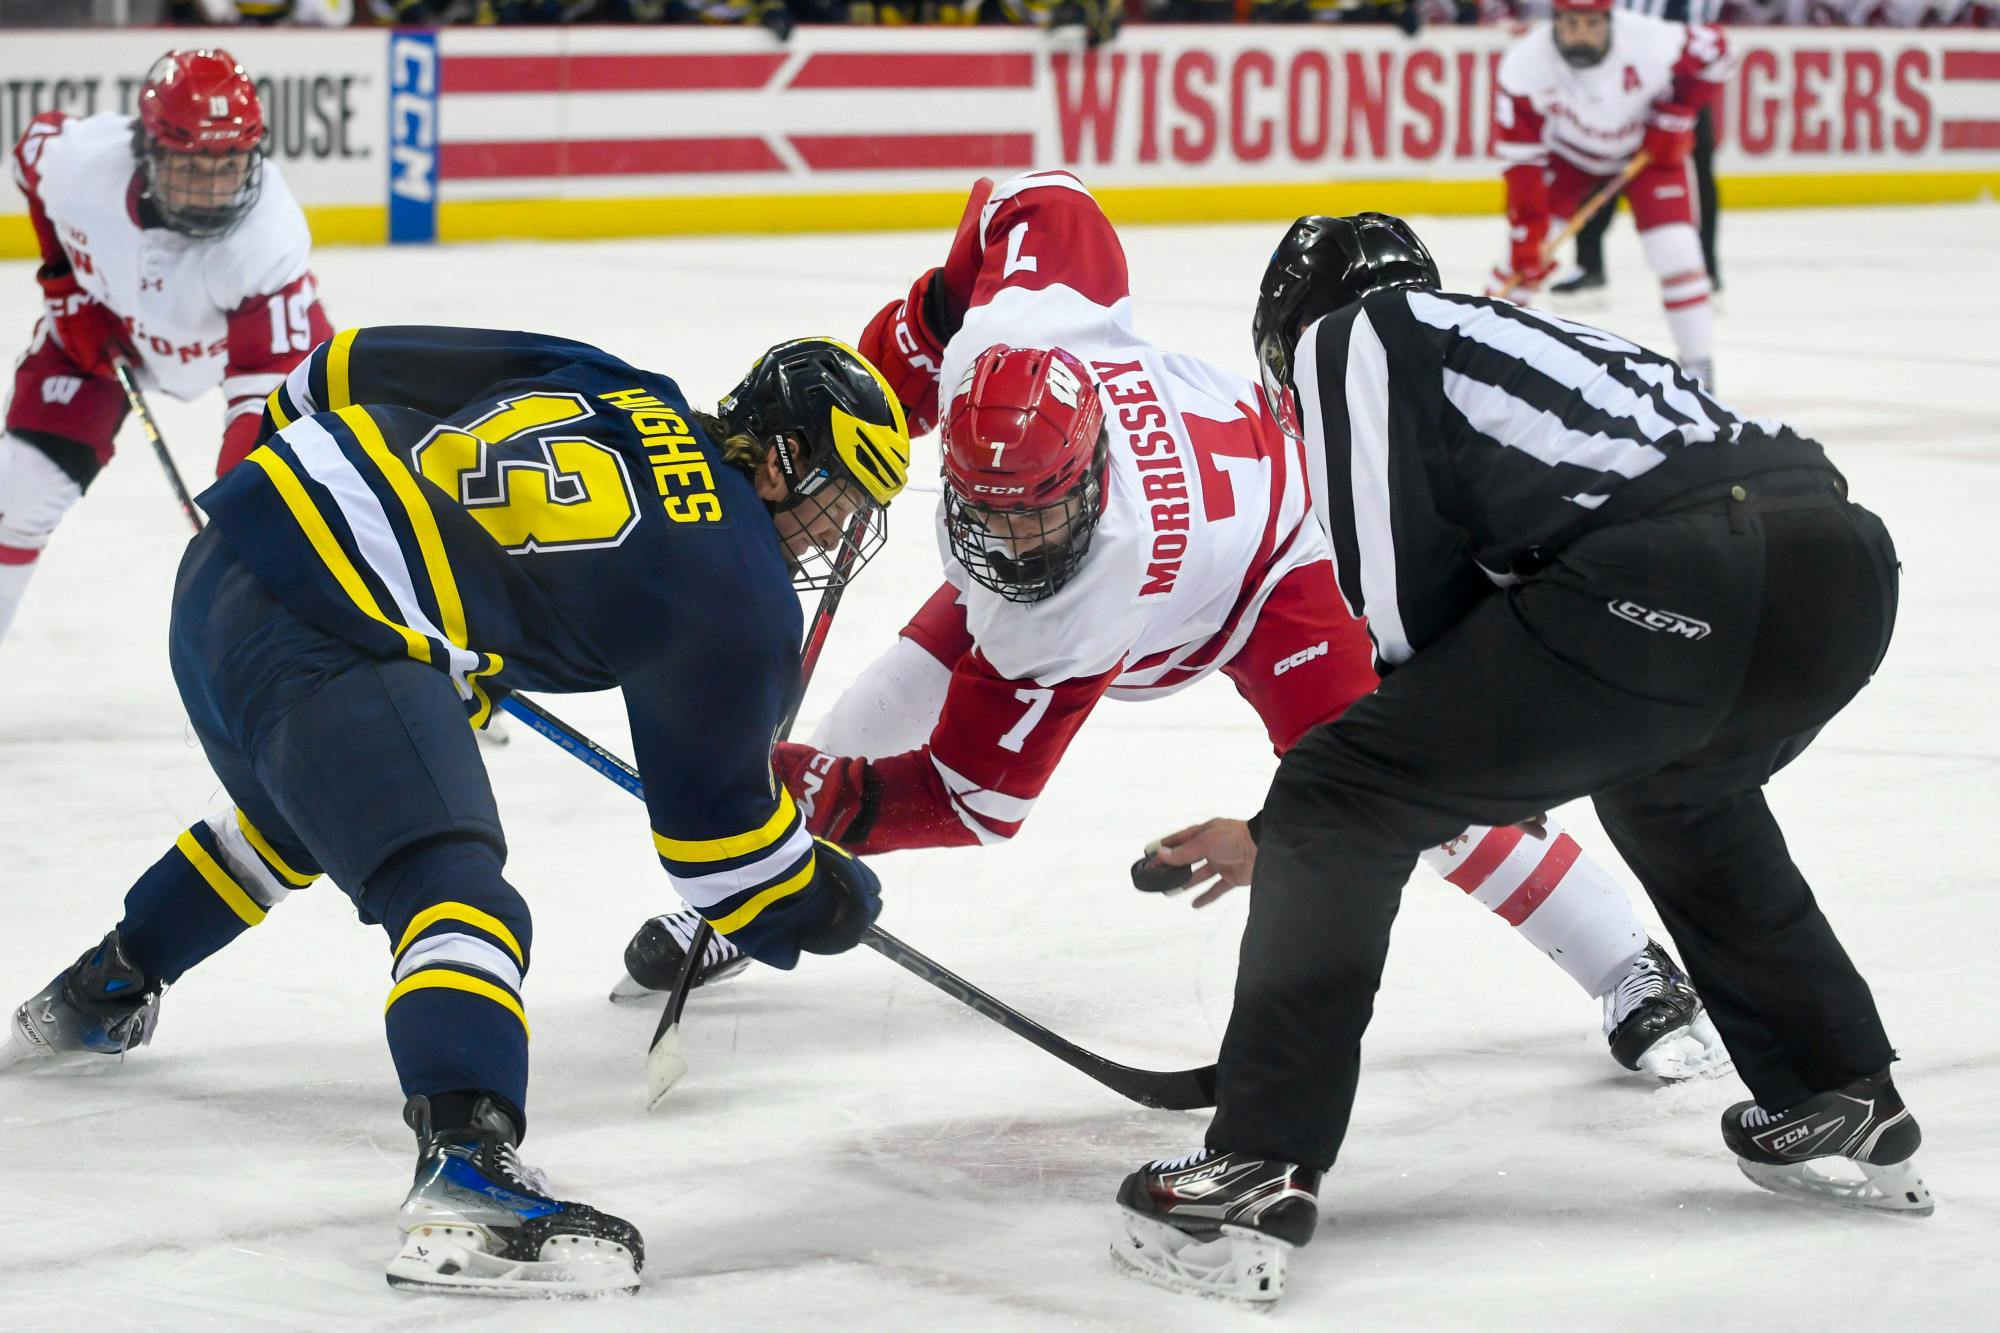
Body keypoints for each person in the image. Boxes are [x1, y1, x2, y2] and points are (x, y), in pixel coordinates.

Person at [616, 170, 1726, 1083]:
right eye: (986, 509)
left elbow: (970, 798)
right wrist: (916, 345)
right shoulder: (1016, 360)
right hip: (1129, 527)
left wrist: (783, 786)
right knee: (897, 679)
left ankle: (1627, 963)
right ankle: (746, 886)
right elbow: (1046, 202)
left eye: (1039, 513)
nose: (1010, 540)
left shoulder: (1080, 583)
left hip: (1271, 567)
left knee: (1406, 787)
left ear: (1090, 479)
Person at [1111, 214, 1929, 1306]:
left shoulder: (1351, 339)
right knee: (1676, 793)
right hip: (1839, 571)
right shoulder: (1508, 348)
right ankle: (1838, 1090)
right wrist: (1332, 815)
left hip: (1687, 568)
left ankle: (1255, 1162)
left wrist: (1315, 820)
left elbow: (1411, 649)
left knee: (1338, 785)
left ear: (1283, 337)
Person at [1, 325, 912, 1296]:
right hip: (323, 639)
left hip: (222, 571)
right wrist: (825, 896)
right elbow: (721, 852)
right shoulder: (738, 589)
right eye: (840, 498)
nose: (834, 535)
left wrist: (392, 566)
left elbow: (332, 371)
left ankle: (100, 990)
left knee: (298, 819)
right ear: (782, 459)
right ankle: (469, 1180)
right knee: (452, 887)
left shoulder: (623, 383)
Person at [2, 49, 332, 649]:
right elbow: (32, 153)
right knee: (15, 495)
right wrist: (65, 283)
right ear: (148, 151)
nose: (211, 190)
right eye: (191, 167)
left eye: (228, 166)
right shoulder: (82, 164)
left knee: (312, 505)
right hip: (106, 332)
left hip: (251, 345)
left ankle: (405, 665)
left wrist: (237, 519)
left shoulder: (267, 238)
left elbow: (262, 387)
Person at [1490, 0, 1727, 385]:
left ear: (1610, 20)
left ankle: (1699, 371)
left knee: (1678, 254)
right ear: (1555, 21)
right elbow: (1522, 162)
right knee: (1516, 264)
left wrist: (1677, 112)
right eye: (1570, 23)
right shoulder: (1524, 65)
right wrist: (1527, 231)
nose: (1580, 33)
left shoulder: (1650, 39)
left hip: (1646, 155)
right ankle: (1482, 362)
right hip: (1569, 159)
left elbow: (1717, 52)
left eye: (1591, 23)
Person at [1553, 0, 1726, 301]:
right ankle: (1588, 264)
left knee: (1698, 171)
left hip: (1686, 74)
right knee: (1598, 158)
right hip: (1628, 70)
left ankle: (1704, 267)